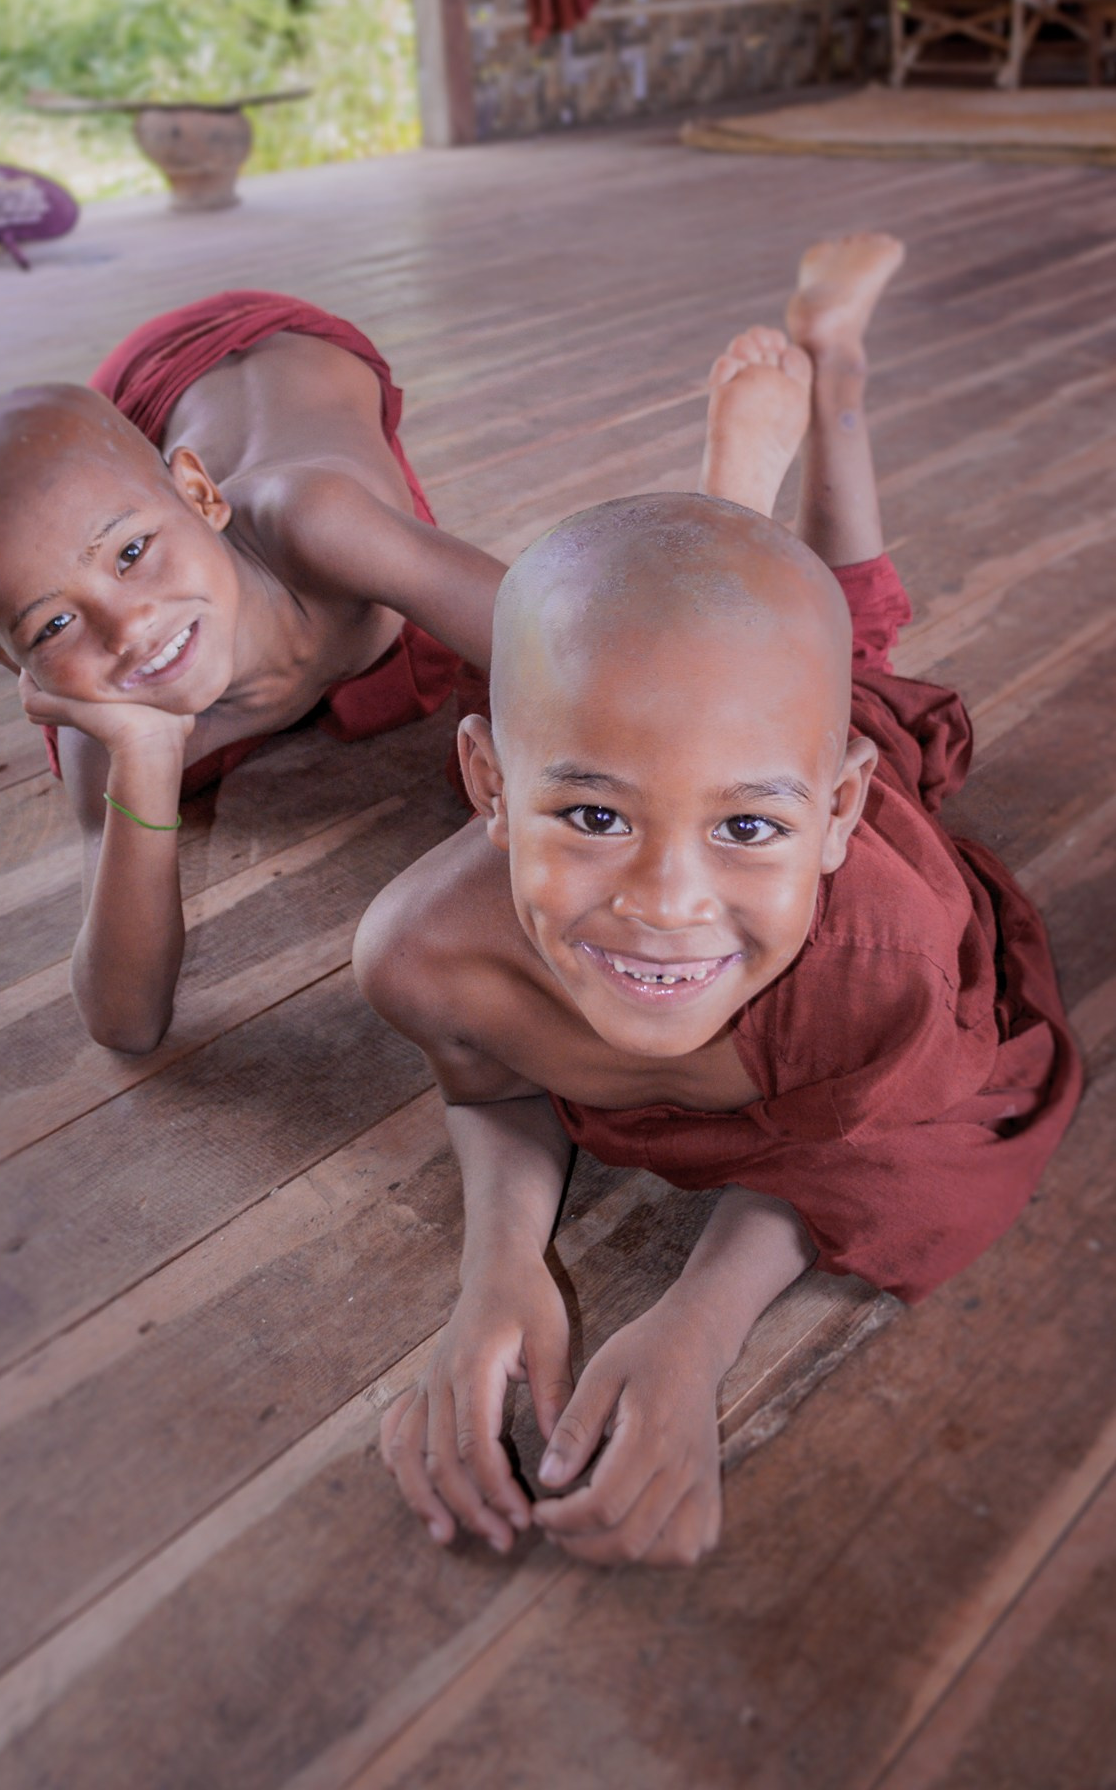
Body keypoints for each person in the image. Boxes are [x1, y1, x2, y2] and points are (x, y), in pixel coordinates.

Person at [352, 234, 1083, 1570]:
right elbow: (491, 1083)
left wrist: (699, 1322)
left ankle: (833, 371)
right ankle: (725, 523)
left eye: (742, 831)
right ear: (485, 786)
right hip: (765, 740)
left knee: (856, 655)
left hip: (828, 759)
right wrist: (496, 1264)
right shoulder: (420, 953)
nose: (665, 903)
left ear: (834, 823)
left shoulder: (882, 953)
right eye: (588, 815)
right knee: (797, 655)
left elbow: (884, 1153)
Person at [0, 292, 504, 1054]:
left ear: (201, 495)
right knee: (67, 501)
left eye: (132, 553)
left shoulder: (319, 524)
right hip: (164, 427)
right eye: (53, 624)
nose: (128, 629)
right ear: (8, 661)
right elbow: (124, 1023)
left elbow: (570, 649)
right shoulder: (100, 729)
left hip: (267, 350)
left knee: (84, 482)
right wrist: (145, 753)